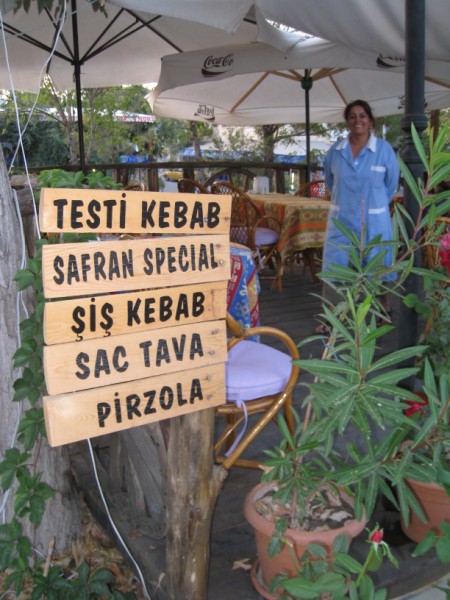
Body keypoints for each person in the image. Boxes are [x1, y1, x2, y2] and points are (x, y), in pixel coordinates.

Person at [318, 100, 400, 331]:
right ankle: (331, 317)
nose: (357, 120)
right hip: (341, 220)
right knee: (334, 266)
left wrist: (375, 204)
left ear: (370, 121)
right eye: (352, 116)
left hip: (374, 221)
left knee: (377, 267)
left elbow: (391, 185)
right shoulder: (336, 151)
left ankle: (383, 309)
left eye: (362, 115)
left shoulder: (383, 150)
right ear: (347, 121)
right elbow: (330, 181)